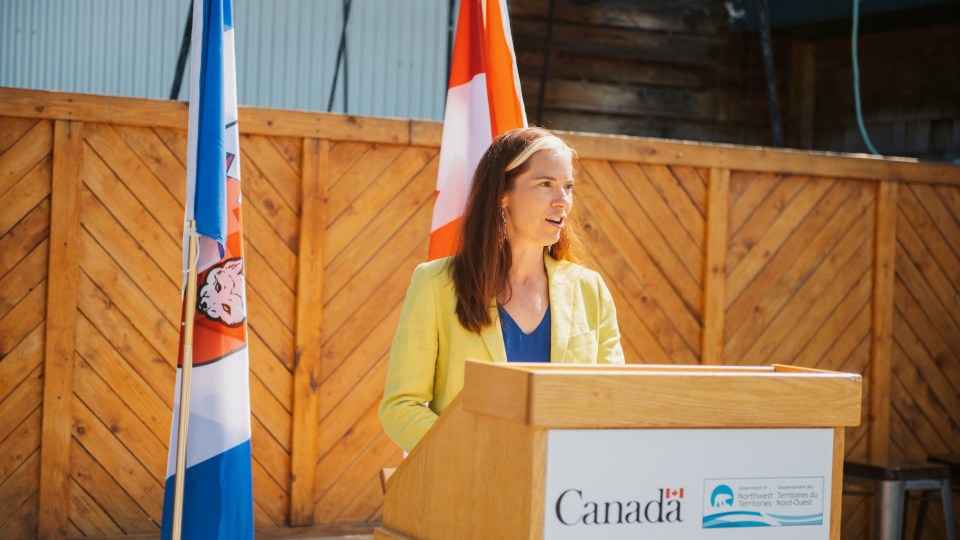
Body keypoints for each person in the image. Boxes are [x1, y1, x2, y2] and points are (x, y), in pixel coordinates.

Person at [379, 127, 624, 452]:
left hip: (564, 493)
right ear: (502, 194)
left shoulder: (589, 290)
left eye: (567, 187)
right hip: (470, 487)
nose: (562, 201)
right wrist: (473, 455)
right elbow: (401, 407)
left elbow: (614, 400)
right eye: (545, 184)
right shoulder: (436, 284)